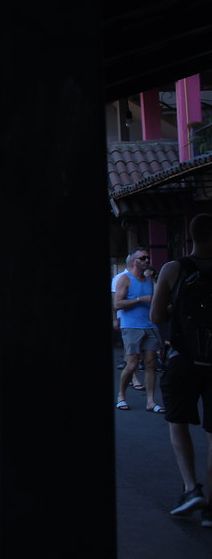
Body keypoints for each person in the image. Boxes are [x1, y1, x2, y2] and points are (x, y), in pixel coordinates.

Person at [150, 213, 212, 523]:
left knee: (178, 422)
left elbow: (156, 316)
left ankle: (191, 488)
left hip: (183, 358)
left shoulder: (174, 268)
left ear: (190, 236)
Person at [114, 248, 164, 413]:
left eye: (148, 258)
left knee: (151, 363)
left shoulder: (149, 280)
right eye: (143, 258)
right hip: (132, 326)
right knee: (132, 364)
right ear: (134, 261)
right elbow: (118, 304)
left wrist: (153, 280)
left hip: (150, 325)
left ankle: (150, 401)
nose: (147, 261)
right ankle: (121, 396)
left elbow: (159, 299)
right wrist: (139, 299)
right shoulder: (124, 279)